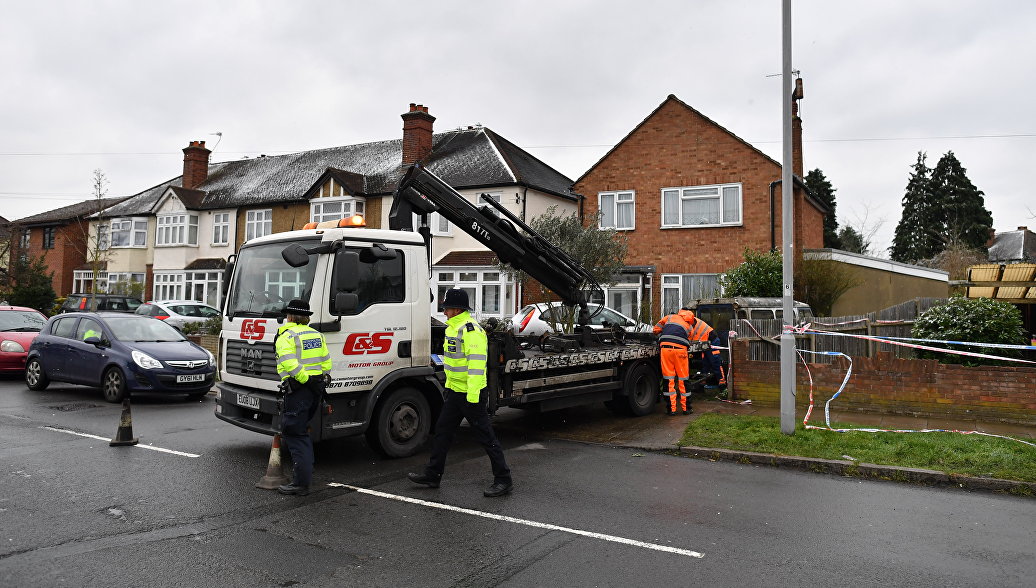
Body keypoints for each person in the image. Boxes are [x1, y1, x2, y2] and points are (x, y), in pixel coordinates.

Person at [408, 289, 513, 497]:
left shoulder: (471, 331)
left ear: (456, 309)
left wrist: (473, 398)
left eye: (446, 308)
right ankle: (433, 475)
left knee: (486, 437)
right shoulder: (452, 329)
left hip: (470, 394)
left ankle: (504, 479)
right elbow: (456, 361)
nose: (444, 312)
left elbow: (476, 366)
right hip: (455, 392)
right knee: (442, 432)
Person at [274, 298, 332, 496]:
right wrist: (318, 381)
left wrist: (305, 379)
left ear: (289, 316)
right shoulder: (316, 334)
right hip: (315, 390)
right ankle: (304, 476)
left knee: (295, 434)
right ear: (306, 317)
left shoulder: (286, 336)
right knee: (302, 432)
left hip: (299, 390)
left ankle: (301, 483)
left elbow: (290, 364)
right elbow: (326, 362)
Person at [653, 308, 695, 415]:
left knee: (668, 379)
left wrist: (662, 333)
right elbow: (689, 340)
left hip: (666, 350)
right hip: (681, 351)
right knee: (683, 379)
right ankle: (686, 409)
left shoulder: (669, 317)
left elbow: (655, 329)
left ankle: (671, 409)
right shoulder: (690, 327)